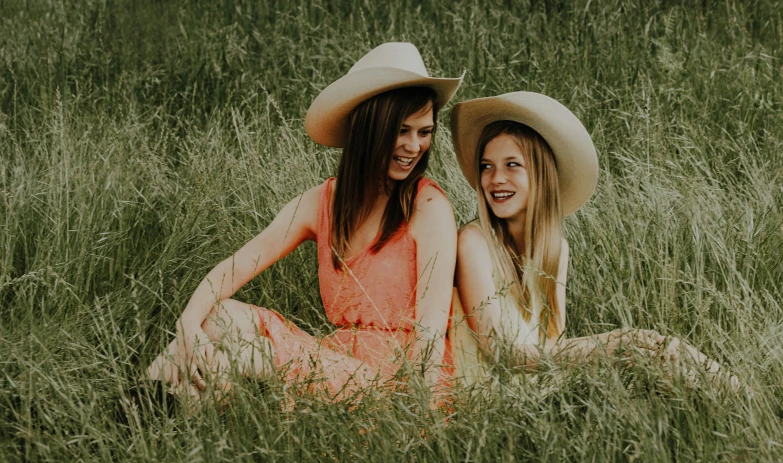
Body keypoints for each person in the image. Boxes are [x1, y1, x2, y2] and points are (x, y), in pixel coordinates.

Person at [144, 42, 463, 406]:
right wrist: (186, 326)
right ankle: (153, 405)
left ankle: (147, 410)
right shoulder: (322, 202)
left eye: (425, 132)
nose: (414, 145)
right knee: (216, 317)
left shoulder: (428, 205)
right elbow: (237, 265)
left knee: (247, 356)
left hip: (397, 380)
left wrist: (415, 409)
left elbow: (431, 331)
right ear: (368, 130)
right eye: (402, 130)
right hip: (339, 357)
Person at [448, 92, 736, 388]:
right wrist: (605, 346)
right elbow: (502, 353)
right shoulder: (474, 243)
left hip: (537, 391)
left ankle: (743, 398)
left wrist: (618, 346)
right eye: (486, 166)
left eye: (512, 165)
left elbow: (552, 345)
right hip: (487, 395)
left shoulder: (555, 249)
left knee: (657, 347)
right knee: (635, 347)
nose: (495, 178)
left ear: (541, 173)